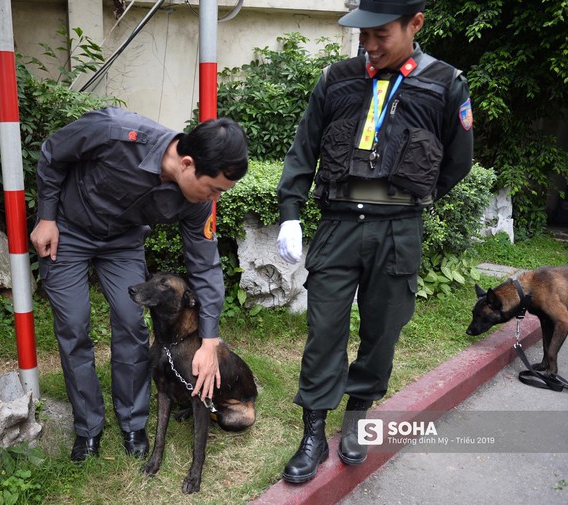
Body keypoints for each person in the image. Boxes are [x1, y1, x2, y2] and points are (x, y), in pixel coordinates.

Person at [276, 0, 473, 483]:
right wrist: (290, 213)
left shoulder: (445, 83)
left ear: (416, 24)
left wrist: (412, 195)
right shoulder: (336, 79)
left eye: (380, 34)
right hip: (338, 226)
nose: (369, 45)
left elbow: (457, 161)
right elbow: (305, 148)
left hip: (397, 231)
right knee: (324, 333)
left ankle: (356, 416)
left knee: (382, 333)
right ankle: (313, 433)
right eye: (363, 34)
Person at [30, 106, 248, 462]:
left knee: (132, 325)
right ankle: (88, 427)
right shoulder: (115, 131)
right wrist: (47, 217)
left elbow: (205, 265)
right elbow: (54, 152)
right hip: (68, 229)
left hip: (123, 242)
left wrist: (210, 339)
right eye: (213, 188)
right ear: (188, 163)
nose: (215, 199)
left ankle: (132, 422)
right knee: (73, 326)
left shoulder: (196, 202)